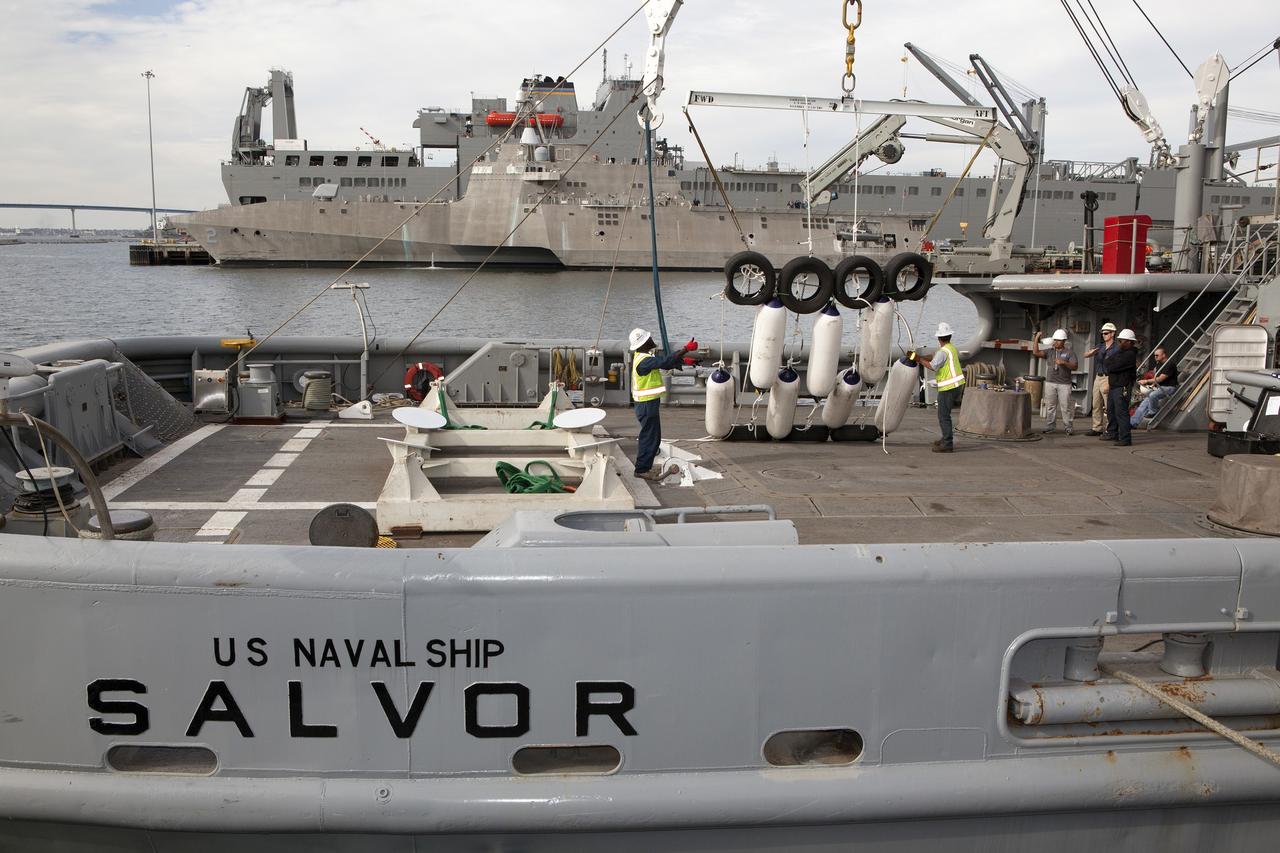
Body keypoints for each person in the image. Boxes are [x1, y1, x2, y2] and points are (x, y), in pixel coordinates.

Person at [629, 328, 699, 480]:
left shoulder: (644, 356)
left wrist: (683, 361)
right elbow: (664, 361)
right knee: (650, 437)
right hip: (646, 404)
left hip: (648, 403)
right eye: (648, 338)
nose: (651, 338)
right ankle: (641, 469)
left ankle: (644, 466)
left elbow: (664, 364)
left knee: (653, 436)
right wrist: (685, 349)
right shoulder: (644, 360)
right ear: (643, 343)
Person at [911, 322, 966, 453]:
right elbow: (935, 357)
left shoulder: (942, 352)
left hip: (948, 387)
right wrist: (921, 357)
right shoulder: (950, 348)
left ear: (938, 338)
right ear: (949, 336)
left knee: (943, 416)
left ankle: (947, 444)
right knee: (945, 415)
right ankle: (945, 438)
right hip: (957, 385)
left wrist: (917, 358)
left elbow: (933, 366)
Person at [1031, 328, 1078, 434]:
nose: (1055, 342)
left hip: (1064, 384)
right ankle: (1050, 426)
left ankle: (1068, 427)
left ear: (1064, 341)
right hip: (1050, 383)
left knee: (1066, 407)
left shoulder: (1069, 353)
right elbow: (1036, 352)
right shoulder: (1050, 351)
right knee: (1050, 406)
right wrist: (1036, 338)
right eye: (1055, 340)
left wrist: (1064, 363)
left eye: (1058, 340)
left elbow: (1075, 366)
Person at [1101, 328, 1139, 446]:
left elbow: (1113, 366)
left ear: (1129, 341)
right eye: (1120, 340)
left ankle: (1125, 438)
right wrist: (1110, 364)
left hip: (1122, 386)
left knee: (1121, 412)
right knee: (1111, 410)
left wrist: (1111, 364)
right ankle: (1112, 432)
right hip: (1114, 385)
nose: (1120, 342)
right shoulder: (1120, 352)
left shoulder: (1130, 354)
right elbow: (1107, 362)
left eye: (1122, 340)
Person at [1082, 322, 1118, 435]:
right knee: (1096, 403)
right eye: (1103, 333)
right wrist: (1091, 352)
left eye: (1106, 333)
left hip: (1108, 377)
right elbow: (1085, 355)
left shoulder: (1117, 348)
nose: (1104, 335)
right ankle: (1097, 428)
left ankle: (1110, 429)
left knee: (1109, 405)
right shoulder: (1100, 346)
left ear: (1112, 334)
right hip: (1098, 376)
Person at [1130, 346, 1179, 427]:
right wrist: (1151, 385)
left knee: (1153, 395)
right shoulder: (1159, 363)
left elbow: (1160, 379)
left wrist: (1146, 381)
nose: (1155, 357)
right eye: (1154, 355)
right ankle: (1132, 423)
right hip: (1160, 387)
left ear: (1163, 355)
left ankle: (1153, 411)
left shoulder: (1169, 364)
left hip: (1170, 387)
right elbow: (1156, 376)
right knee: (1143, 404)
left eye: (1157, 355)